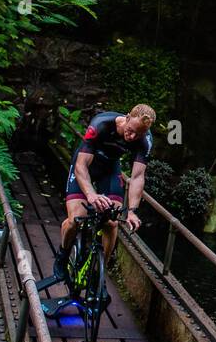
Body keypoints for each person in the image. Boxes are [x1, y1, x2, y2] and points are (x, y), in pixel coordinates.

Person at [54, 104, 154, 278]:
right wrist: (91, 195)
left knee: (112, 222)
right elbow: (81, 165)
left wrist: (132, 211)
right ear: (127, 117)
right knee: (75, 220)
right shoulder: (101, 124)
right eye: (130, 130)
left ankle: (99, 273)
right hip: (86, 165)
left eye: (138, 134)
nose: (132, 137)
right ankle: (62, 255)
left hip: (110, 169)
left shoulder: (145, 140)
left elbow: (137, 177)